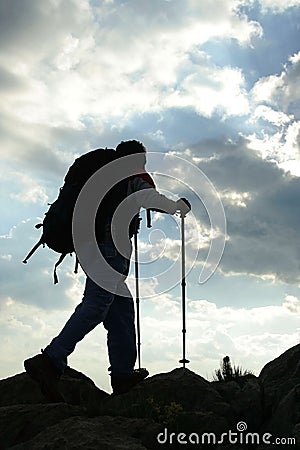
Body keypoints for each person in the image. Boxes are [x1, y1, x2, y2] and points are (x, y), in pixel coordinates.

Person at [24, 140, 191, 401]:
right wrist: (176, 206)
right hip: (109, 249)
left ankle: (122, 375)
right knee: (98, 302)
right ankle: (51, 359)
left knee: (121, 310)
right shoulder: (131, 172)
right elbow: (147, 197)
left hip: (89, 246)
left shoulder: (103, 175)